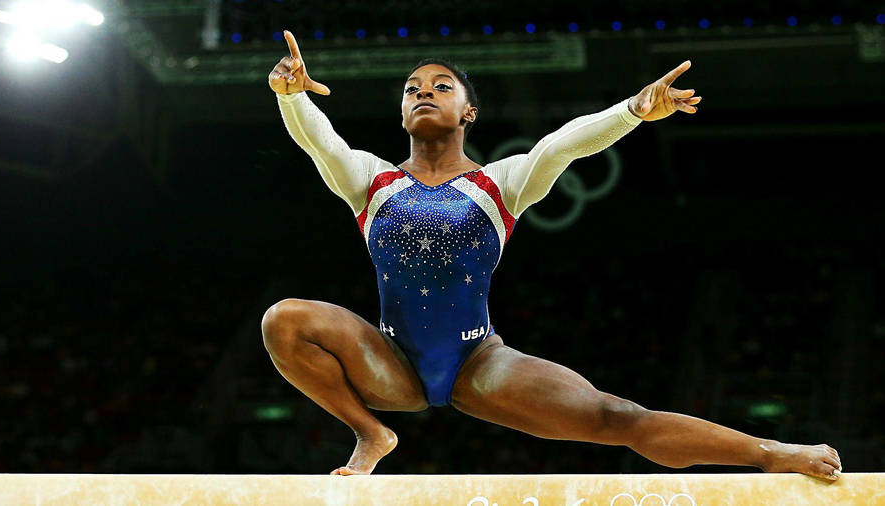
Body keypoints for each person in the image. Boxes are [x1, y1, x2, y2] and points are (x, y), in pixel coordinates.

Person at [262, 30, 843, 479]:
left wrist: (634, 111)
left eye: (441, 86)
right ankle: (371, 434)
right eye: (413, 89)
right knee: (285, 320)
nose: (423, 93)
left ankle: (771, 452)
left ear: (469, 113)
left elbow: (563, 144)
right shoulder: (371, 180)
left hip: (479, 364)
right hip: (388, 360)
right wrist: (292, 98)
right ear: (402, 112)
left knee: (618, 418)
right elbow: (321, 141)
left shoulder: (498, 185)